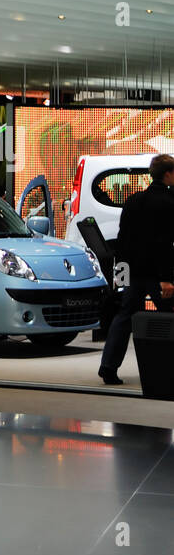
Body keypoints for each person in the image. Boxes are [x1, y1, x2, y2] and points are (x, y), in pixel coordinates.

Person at [98, 153, 174, 384]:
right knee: (169, 318)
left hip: (132, 271)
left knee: (124, 318)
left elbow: (123, 239)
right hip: (156, 274)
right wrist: (166, 278)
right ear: (168, 174)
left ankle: (108, 367)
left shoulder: (133, 200)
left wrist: (121, 275)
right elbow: (164, 244)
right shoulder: (168, 204)